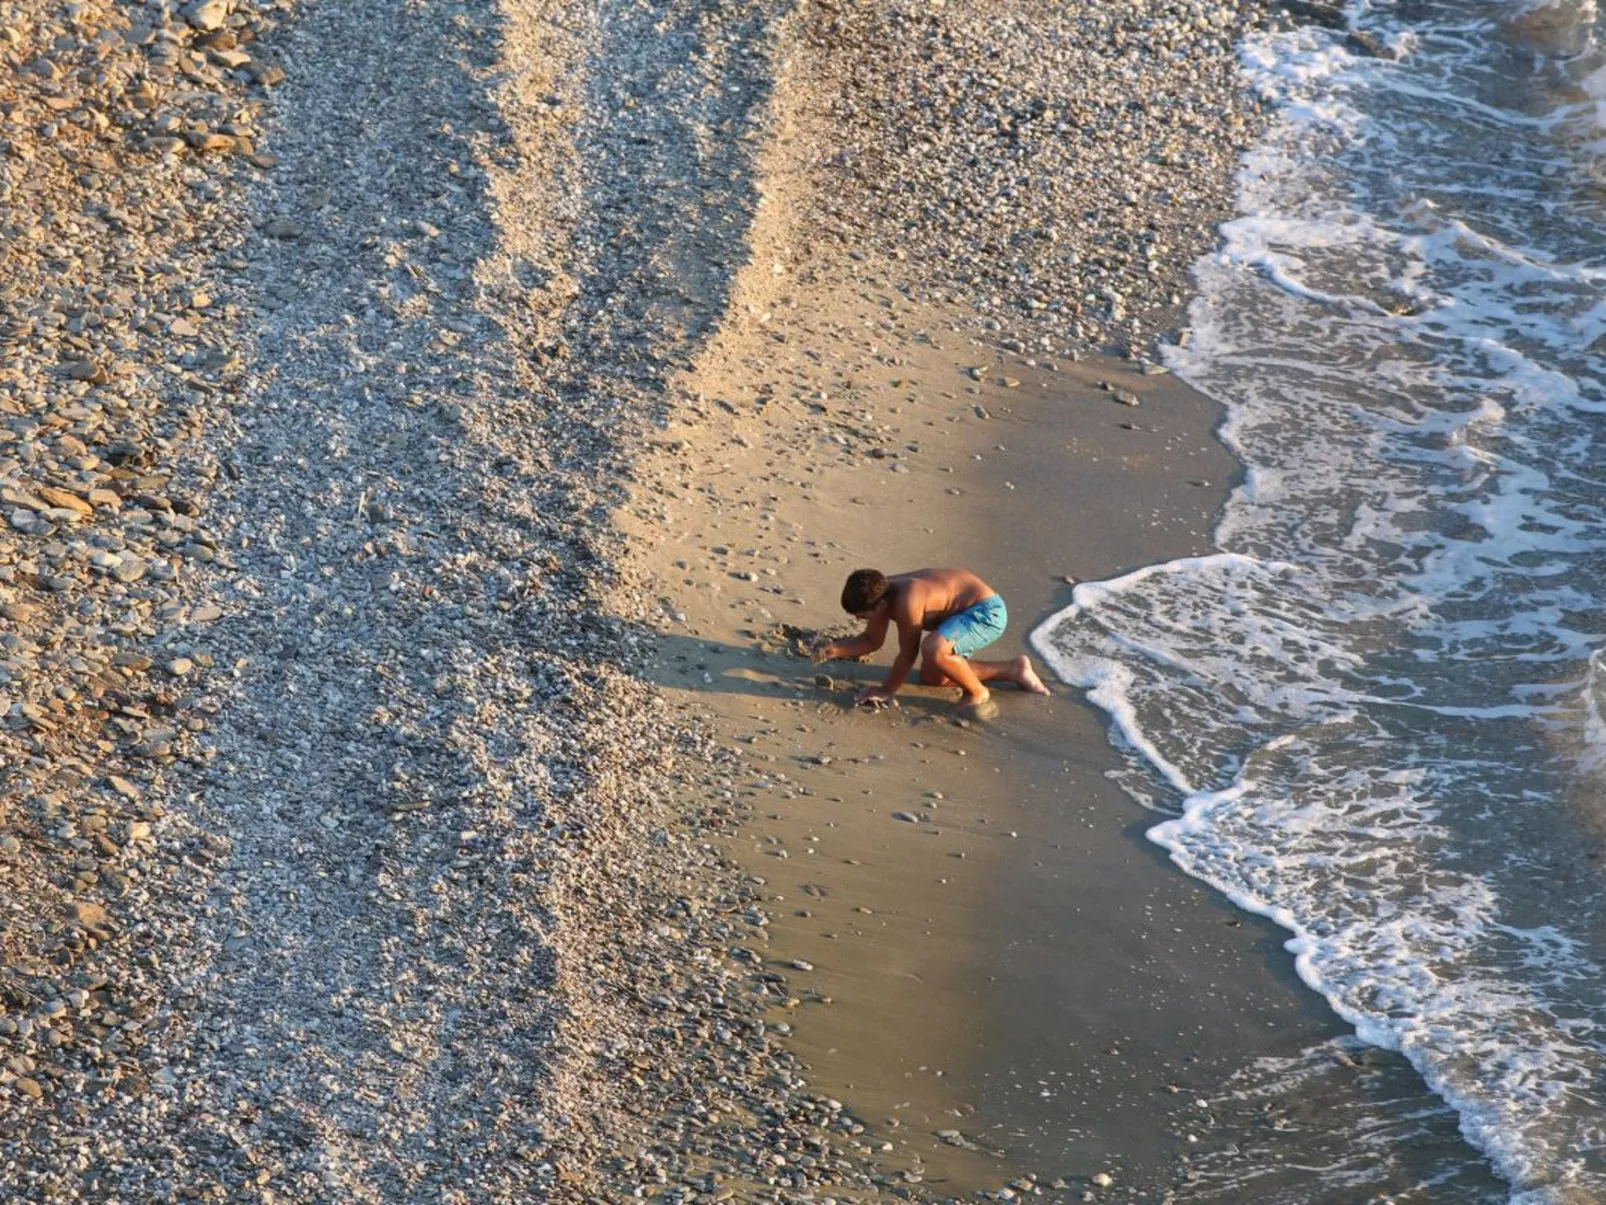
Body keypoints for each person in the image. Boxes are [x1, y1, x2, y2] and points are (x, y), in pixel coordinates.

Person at [812, 567, 1050, 716]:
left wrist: (887, 690)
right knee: (934, 678)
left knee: (933, 648)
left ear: (881, 605)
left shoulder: (907, 600)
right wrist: (834, 650)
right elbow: (871, 640)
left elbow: (908, 653)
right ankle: (1013, 669)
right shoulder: (879, 592)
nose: (859, 620)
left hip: (986, 612)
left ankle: (978, 692)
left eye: (862, 616)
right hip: (958, 617)